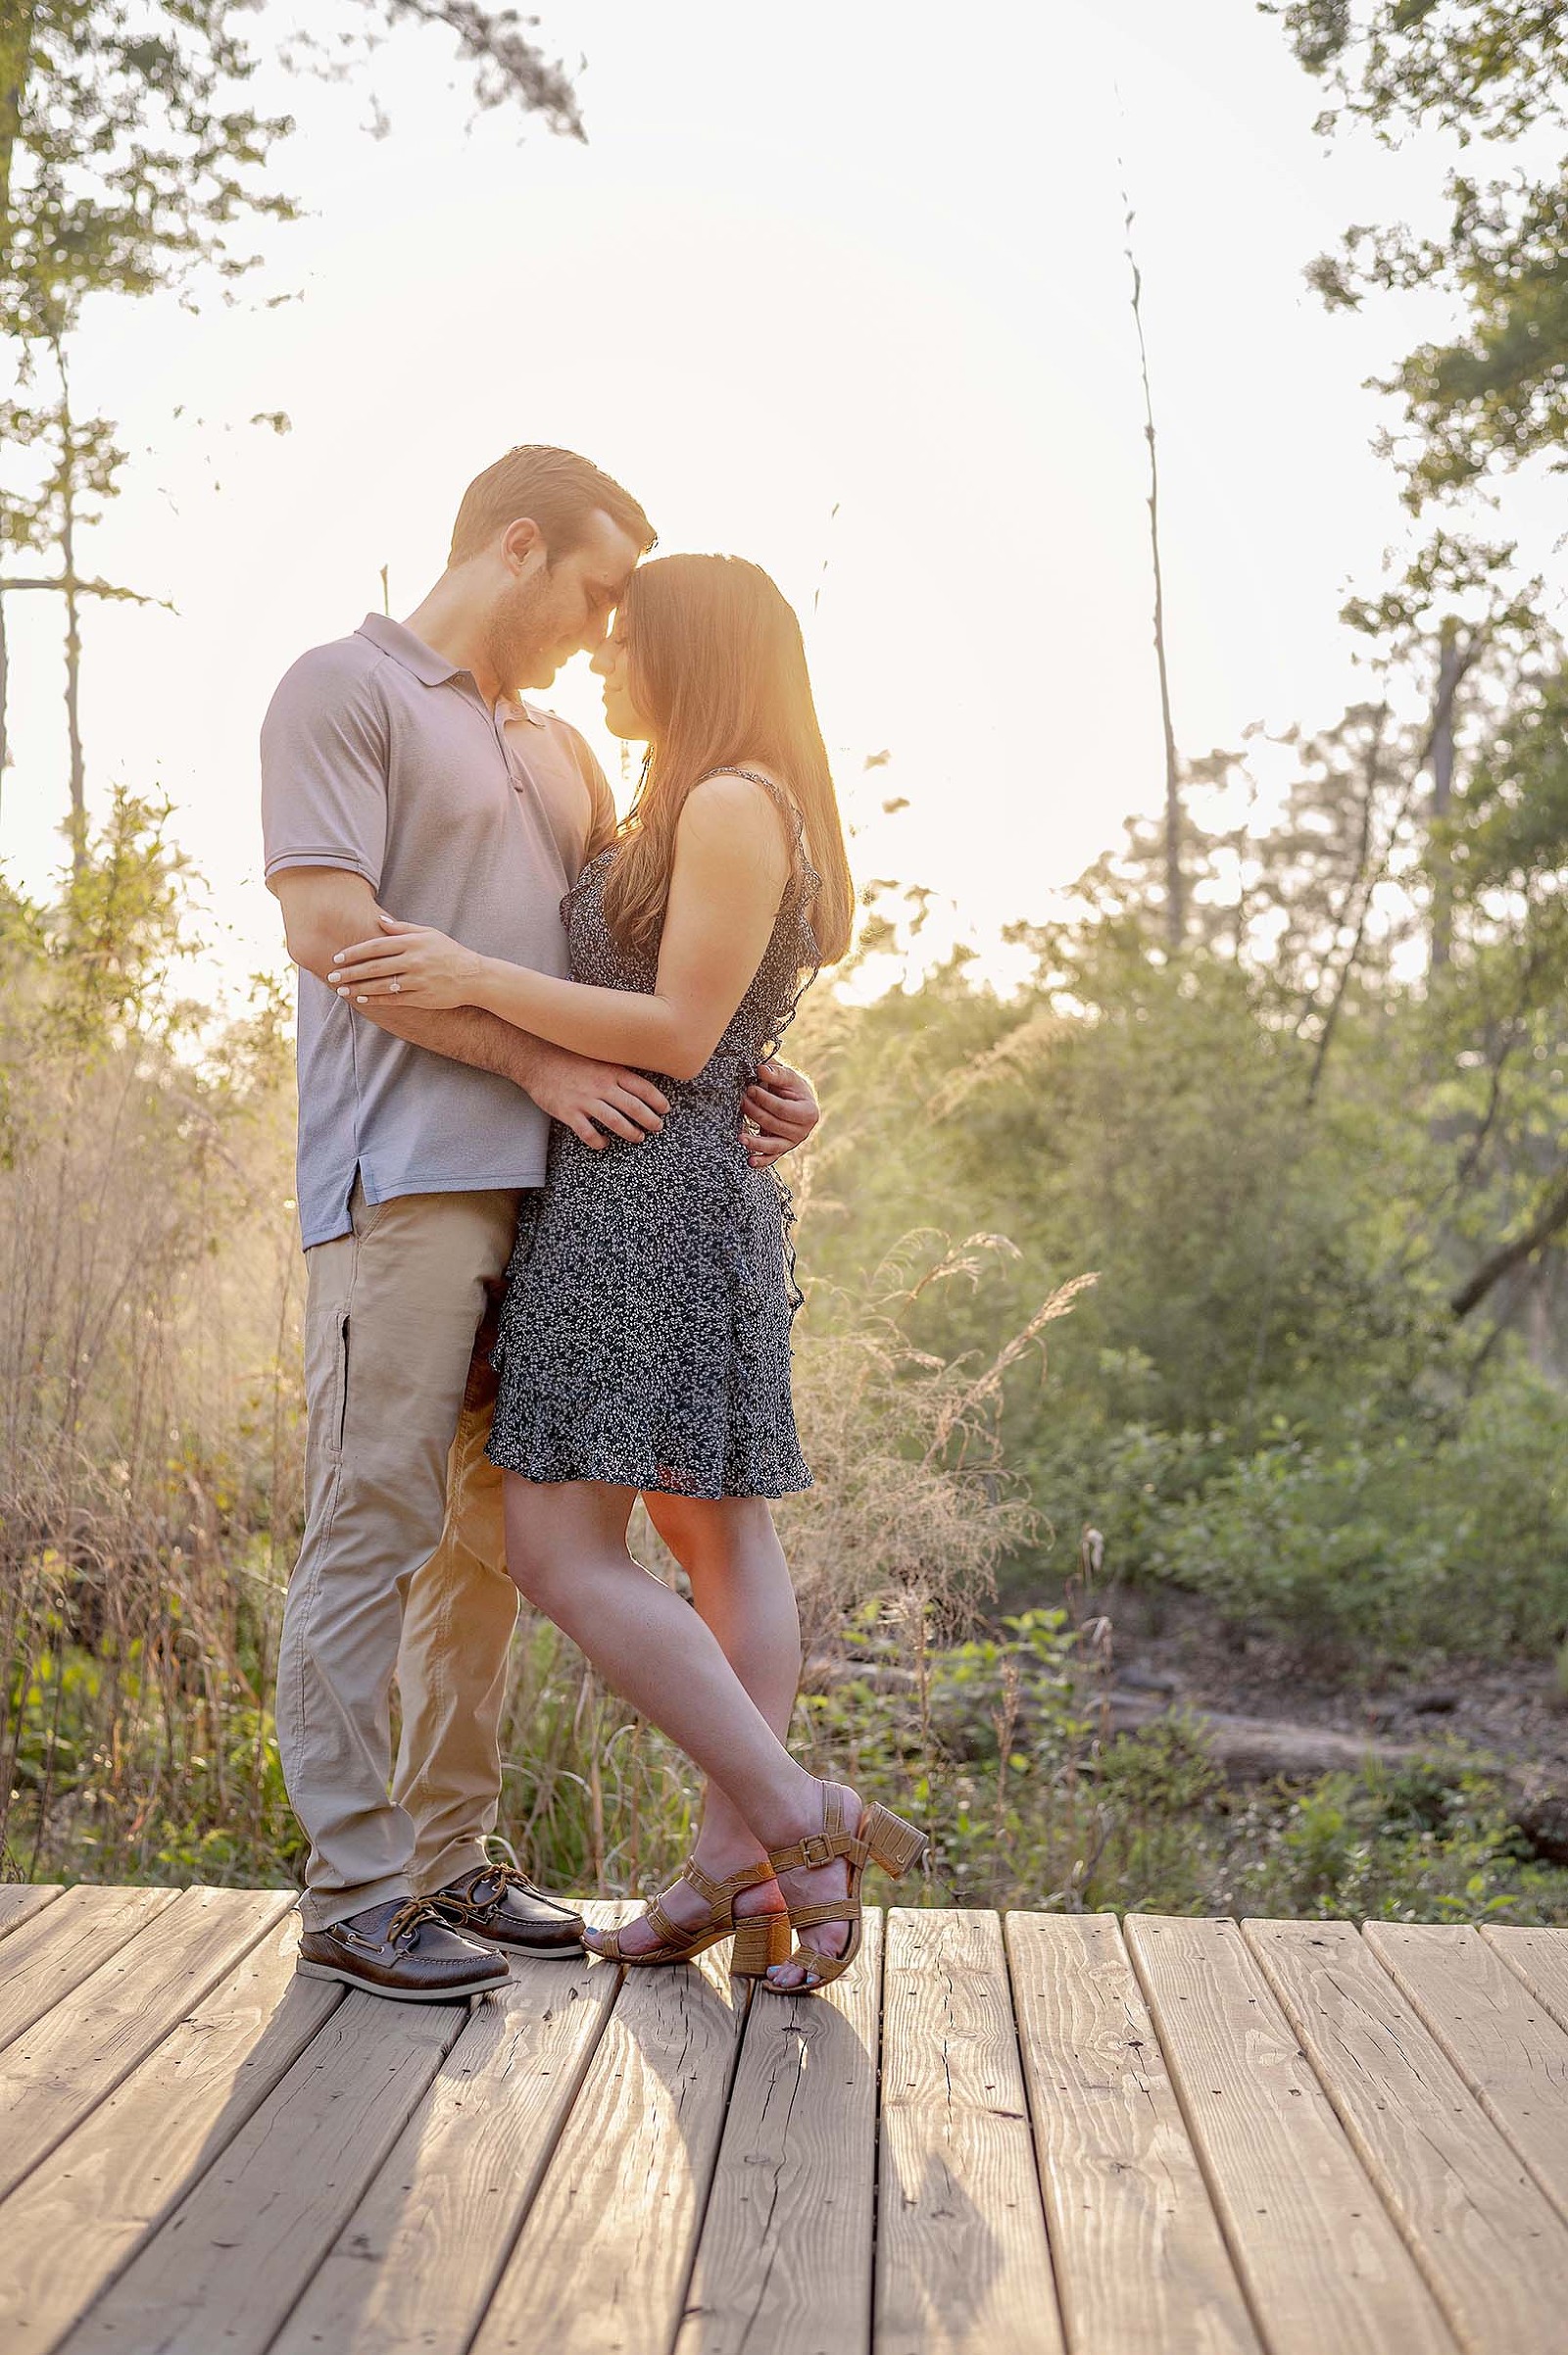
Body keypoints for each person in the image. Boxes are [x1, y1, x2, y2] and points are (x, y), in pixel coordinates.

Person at [261, 449, 819, 2002]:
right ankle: (357, 1889)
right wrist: (539, 1065)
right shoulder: (341, 691)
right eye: (594, 590)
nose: (604, 627)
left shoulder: (566, 753)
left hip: (561, 1205)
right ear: (518, 547)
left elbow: (645, 966)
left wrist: (767, 1074)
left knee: (483, 1559)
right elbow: (335, 937)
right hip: (405, 1178)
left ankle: (450, 1859)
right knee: (372, 1523)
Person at [329, 553, 925, 1993]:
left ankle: (786, 1822)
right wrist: (752, 1081)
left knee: (562, 1553)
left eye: (629, 641)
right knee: (720, 1538)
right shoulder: (707, 799)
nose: (604, 662)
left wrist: (461, 972)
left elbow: (671, 1030)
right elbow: (715, 1027)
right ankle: (743, 1866)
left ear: (696, 651)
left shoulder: (728, 803)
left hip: (639, 1200)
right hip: (671, 1183)